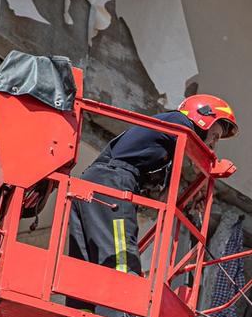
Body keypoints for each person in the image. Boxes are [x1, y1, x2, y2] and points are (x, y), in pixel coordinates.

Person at [67, 94, 238, 295]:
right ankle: (120, 310)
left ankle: (83, 310)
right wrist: (209, 166)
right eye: (215, 136)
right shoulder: (178, 122)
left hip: (96, 183)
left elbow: (162, 197)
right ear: (204, 118)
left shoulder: (161, 143)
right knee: (121, 257)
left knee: (88, 260)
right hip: (113, 183)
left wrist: (191, 195)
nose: (213, 145)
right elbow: (196, 151)